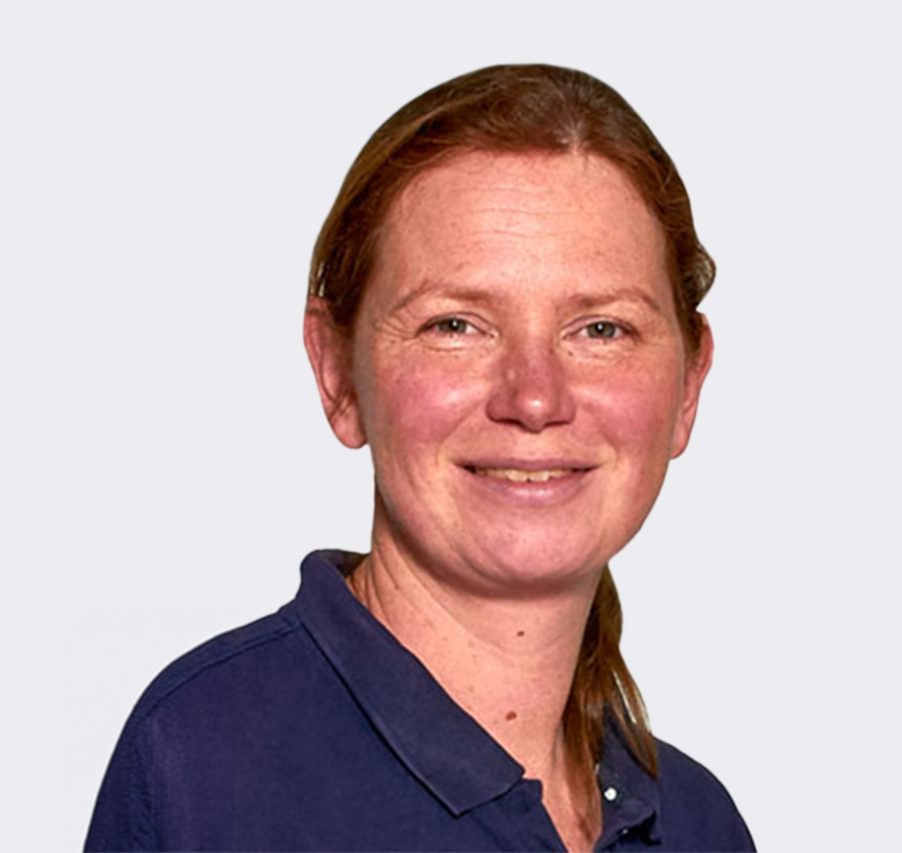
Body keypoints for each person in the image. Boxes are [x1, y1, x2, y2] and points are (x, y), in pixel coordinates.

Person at [85, 63, 754, 852]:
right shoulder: (205, 766)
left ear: (688, 385)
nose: (534, 397)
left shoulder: (701, 822)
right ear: (338, 374)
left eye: (601, 329)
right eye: (456, 325)